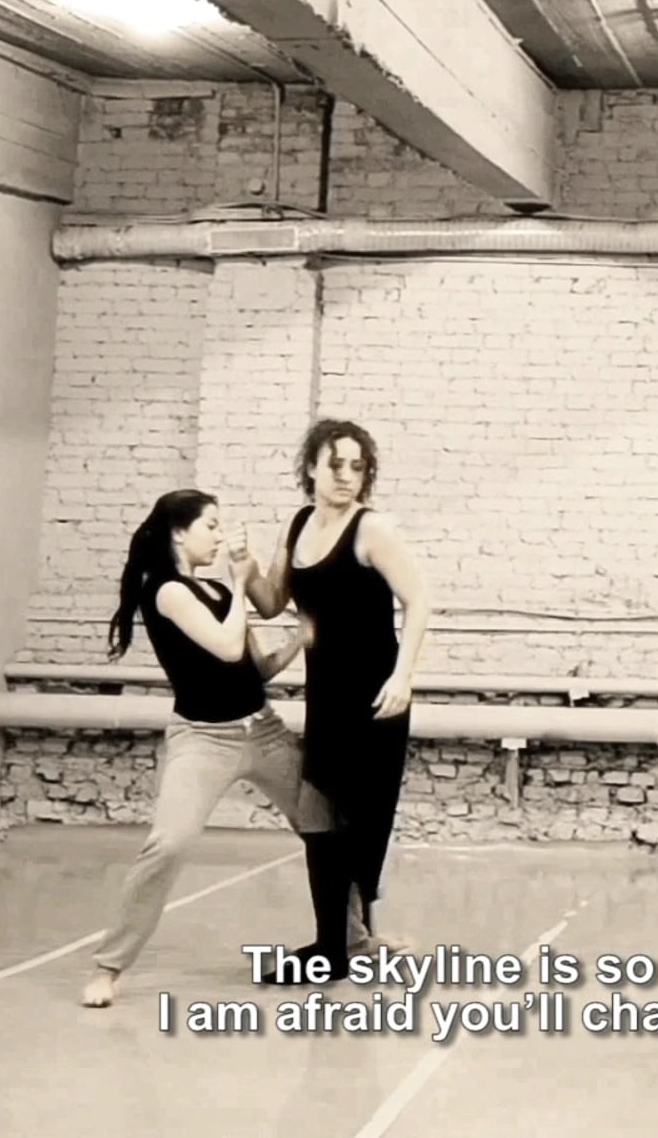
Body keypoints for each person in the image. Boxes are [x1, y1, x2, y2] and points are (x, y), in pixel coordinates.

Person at [81, 489, 329, 1008]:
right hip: (203, 739)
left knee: (324, 826)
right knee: (168, 844)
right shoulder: (167, 592)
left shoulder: (215, 589)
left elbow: (255, 668)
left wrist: (296, 641)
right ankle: (109, 966)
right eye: (210, 525)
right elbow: (226, 645)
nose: (219, 535)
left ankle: (355, 939)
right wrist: (241, 583)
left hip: (263, 731)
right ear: (179, 532)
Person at [242, 419, 433, 982]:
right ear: (311, 468)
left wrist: (403, 677)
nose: (347, 476)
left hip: (375, 697)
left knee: (356, 821)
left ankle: (338, 948)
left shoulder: (372, 529)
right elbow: (272, 601)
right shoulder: (297, 524)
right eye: (336, 464)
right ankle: (340, 945)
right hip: (325, 696)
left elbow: (419, 601)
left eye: (358, 466)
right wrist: (245, 569)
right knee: (320, 814)